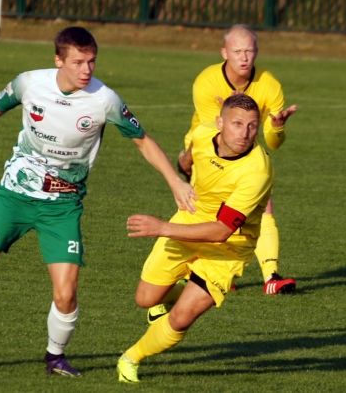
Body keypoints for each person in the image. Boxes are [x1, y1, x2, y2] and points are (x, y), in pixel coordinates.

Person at [0, 26, 195, 378]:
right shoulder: (29, 83)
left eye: (92, 62)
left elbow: (143, 141)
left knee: (66, 293)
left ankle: (55, 357)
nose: (87, 70)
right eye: (78, 62)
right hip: (14, 194)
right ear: (58, 60)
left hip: (62, 205)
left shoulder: (104, 100)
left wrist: (174, 181)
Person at [117, 93, 273, 383]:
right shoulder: (202, 133)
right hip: (188, 221)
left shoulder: (257, 171)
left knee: (180, 318)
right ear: (219, 123)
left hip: (229, 248)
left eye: (252, 125)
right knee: (145, 299)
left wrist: (162, 228)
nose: (245, 133)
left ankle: (130, 358)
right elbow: (187, 159)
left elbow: (221, 231)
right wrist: (183, 174)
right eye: (237, 124)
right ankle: (180, 285)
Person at [177, 24, 297, 295]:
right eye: (237, 51)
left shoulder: (270, 85)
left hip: (246, 148)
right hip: (205, 146)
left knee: (263, 203)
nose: (244, 57)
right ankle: (197, 271)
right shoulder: (207, 81)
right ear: (224, 52)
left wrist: (276, 127)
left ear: (257, 52)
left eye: (249, 51)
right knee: (208, 208)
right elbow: (214, 134)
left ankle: (271, 277)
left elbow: (273, 145)